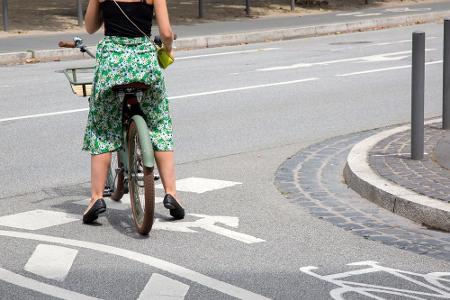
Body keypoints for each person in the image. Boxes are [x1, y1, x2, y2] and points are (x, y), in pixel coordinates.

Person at [82, 0, 184, 224]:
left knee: (102, 128)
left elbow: (90, 28)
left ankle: (97, 197)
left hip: (112, 64)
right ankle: (171, 193)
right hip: (144, 63)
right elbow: (166, 32)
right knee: (158, 123)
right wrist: (167, 49)